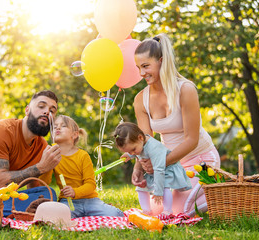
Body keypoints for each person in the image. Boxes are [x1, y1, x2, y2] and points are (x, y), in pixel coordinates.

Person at [132, 33, 221, 217]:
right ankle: (203, 192)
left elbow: (192, 140)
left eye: (146, 66)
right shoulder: (141, 99)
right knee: (157, 211)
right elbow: (145, 143)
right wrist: (139, 168)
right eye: (138, 67)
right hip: (172, 166)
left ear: (161, 61)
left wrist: (160, 164)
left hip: (201, 161)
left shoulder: (185, 90)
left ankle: (219, 188)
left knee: (177, 211)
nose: (141, 73)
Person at [42, 115, 123, 218]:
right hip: (68, 201)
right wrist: (45, 164)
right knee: (57, 218)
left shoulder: (83, 156)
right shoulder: (52, 155)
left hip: (90, 200)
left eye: (63, 126)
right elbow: (45, 182)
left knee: (116, 214)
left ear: (75, 134)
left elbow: (91, 185)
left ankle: (104, 207)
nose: (57, 128)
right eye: (55, 126)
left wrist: (75, 192)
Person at [114, 122, 191, 215]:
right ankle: (146, 211)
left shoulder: (154, 147)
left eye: (133, 150)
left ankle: (168, 211)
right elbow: (138, 150)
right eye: (129, 151)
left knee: (165, 187)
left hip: (166, 169)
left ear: (140, 138)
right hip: (154, 171)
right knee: (141, 187)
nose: (133, 153)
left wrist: (158, 191)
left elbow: (159, 170)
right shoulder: (140, 143)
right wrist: (129, 155)